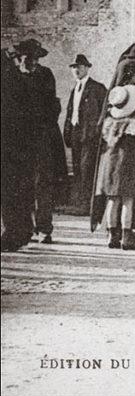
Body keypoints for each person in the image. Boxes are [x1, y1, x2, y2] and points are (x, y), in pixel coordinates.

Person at [96, 63, 135, 250]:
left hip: (109, 165)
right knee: (128, 202)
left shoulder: (109, 122)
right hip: (129, 165)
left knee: (112, 200)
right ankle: (126, 236)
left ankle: (111, 235)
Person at [12, 38, 66, 244]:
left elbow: (52, 105)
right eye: (26, 58)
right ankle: (24, 228)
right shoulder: (13, 76)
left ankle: (44, 227)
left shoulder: (45, 75)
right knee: (21, 183)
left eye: (34, 58)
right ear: (20, 57)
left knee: (43, 183)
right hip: (19, 140)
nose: (30, 62)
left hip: (42, 137)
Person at [62, 54, 107, 215]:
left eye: (79, 67)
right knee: (78, 169)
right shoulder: (75, 89)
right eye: (73, 67)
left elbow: (104, 112)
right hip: (75, 134)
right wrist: (67, 132)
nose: (76, 70)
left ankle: (88, 205)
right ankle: (81, 203)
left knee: (87, 169)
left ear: (87, 68)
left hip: (89, 136)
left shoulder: (97, 88)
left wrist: (97, 132)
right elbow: (70, 112)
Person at [1, 48, 33, 251]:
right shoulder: (21, 80)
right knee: (19, 190)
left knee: (8, 191)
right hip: (21, 144)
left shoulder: (8, 81)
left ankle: (12, 234)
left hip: (8, 144)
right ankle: (22, 231)